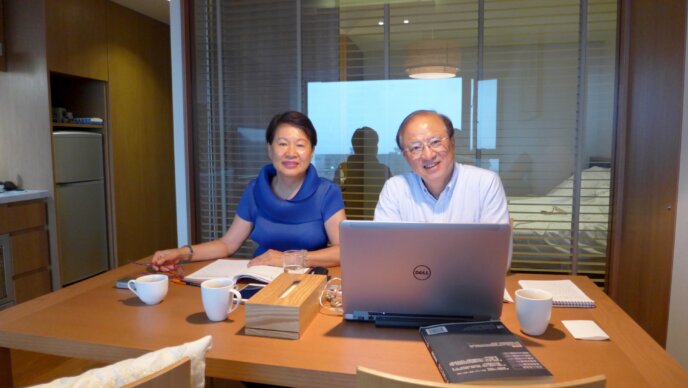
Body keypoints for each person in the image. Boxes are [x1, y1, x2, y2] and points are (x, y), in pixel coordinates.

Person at [152, 111, 346, 271]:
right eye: (283, 144)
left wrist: (289, 259)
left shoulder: (327, 193)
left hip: (309, 283)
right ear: (269, 149)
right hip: (259, 280)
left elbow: (343, 251)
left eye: (300, 145)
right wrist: (181, 253)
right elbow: (228, 244)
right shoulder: (255, 190)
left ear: (312, 151)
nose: (291, 153)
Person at [375, 109, 510, 224]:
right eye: (415, 147)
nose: (428, 155)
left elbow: (494, 251)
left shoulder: (484, 183)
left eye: (435, 142)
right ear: (405, 156)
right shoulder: (395, 189)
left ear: (452, 142)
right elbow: (385, 249)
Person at [334, 126, 392, 219]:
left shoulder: (383, 171)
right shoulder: (343, 170)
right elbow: (335, 200)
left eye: (374, 144)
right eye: (373, 144)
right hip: (351, 225)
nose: (375, 148)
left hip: (376, 224)